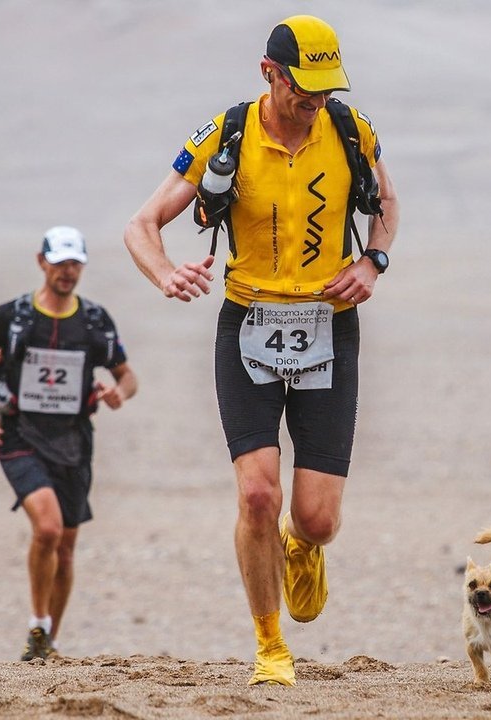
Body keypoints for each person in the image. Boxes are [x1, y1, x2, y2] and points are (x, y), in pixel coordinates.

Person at [123, 15, 399, 686]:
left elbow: (387, 200)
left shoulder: (351, 131)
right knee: (256, 497)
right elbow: (141, 224)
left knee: (317, 518)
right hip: (248, 325)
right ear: (269, 73)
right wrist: (166, 273)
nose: (315, 104)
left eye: (325, 91)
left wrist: (373, 261)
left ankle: (304, 546)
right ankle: (270, 647)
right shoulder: (228, 133)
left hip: (329, 326)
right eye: (303, 90)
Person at [0, 226, 137, 661]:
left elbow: (127, 375)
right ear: (41, 262)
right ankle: (38, 622)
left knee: (67, 546)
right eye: (59, 262)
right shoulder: (12, 317)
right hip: (20, 434)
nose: (67, 271)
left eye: (75, 263)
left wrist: (120, 394)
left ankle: (46, 644)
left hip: (75, 441)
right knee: (48, 528)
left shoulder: (95, 322)